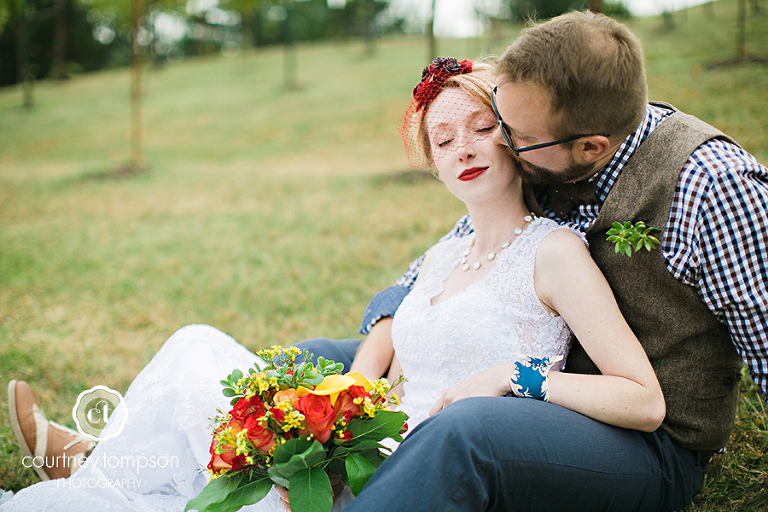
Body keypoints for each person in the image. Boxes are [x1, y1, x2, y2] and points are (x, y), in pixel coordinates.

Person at [3, 57, 665, 511]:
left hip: (424, 474)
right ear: (432, 164)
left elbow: (643, 400)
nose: (462, 148)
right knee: (195, 346)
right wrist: (311, 446)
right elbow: (380, 383)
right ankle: (100, 466)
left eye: (481, 128)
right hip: (362, 459)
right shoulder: (439, 259)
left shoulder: (553, 252)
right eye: (442, 140)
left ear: (513, 138)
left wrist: (514, 377)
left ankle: (92, 464)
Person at [335, 10, 768, 512]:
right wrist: (359, 381)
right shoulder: (540, 149)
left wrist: (516, 376)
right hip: (534, 401)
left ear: (590, 147)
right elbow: (421, 281)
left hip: (646, 439)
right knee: (321, 360)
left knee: (465, 429)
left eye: (507, 132)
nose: (498, 144)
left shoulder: (711, 185)